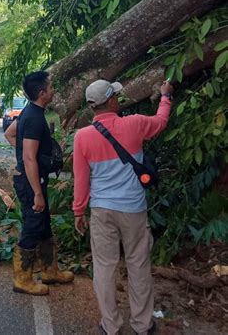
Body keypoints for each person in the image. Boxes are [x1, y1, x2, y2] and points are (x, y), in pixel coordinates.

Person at [73, 79, 173, 335]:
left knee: (104, 267)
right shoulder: (135, 124)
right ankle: (142, 324)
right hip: (133, 210)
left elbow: (82, 180)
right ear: (113, 101)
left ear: (92, 107)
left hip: (101, 211)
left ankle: (111, 325)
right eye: (117, 96)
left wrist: (78, 211)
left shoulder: (82, 137)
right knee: (138, 264)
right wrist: (165, 97)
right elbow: (161, 122)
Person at [4, 71, 74, 295]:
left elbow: (10, 133)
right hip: (30, 182)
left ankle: (49, 270)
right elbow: (29, 158)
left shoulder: (30, 112)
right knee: (33, 226)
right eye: (51, 87)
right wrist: (37, 193)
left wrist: (21, 153)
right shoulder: (34, 118)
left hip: (31, 178)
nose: (54, 90)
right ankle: (22, 279)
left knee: (43, 224)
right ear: (42, 93)